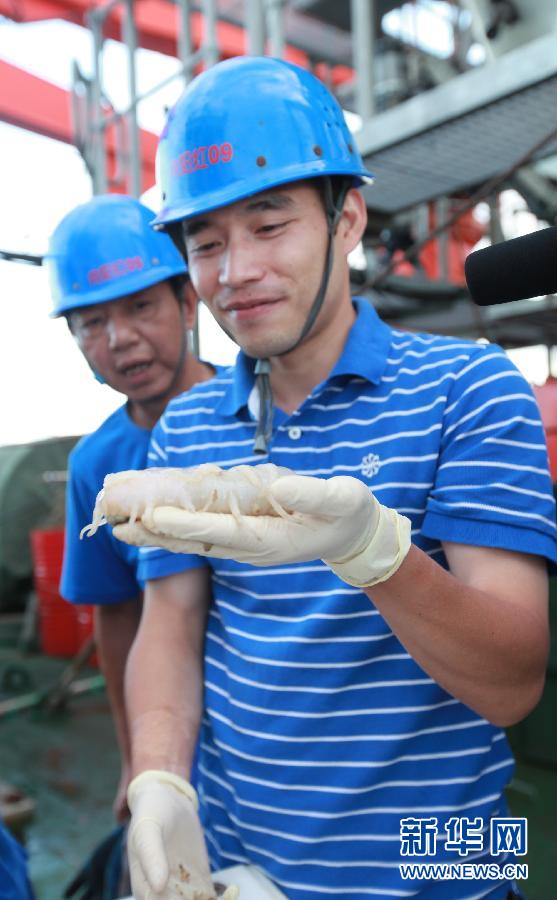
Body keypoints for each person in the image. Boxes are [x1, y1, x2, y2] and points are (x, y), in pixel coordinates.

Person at [119, 57, 557, 900]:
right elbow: (169, 623)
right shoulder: (187, 425)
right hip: (246, 869)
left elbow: (510, 684)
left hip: (445, 866)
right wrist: (159, 779)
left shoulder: (469, 388)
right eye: (204, 242)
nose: (233, 270)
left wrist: (374, 553)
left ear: (346, 218)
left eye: (269, 224)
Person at [45, 194, 215, 825]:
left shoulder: (264, 411)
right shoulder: (97, 466)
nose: (120, 339)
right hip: (181, 726)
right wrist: (133, 758)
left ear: (187, 301)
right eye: (90, 322)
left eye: (141, 305)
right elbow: (116, 619)